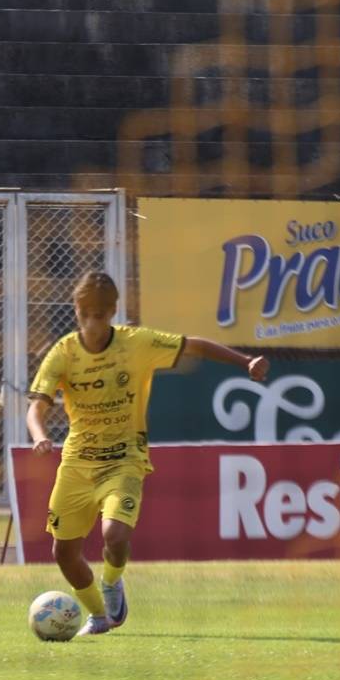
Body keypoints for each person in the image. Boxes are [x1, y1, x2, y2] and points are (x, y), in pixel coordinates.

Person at [25, 271, 268, 637]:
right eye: (87, 312)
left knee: (115, 535)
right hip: (76, 463)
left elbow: (195, 345)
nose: (93, 320)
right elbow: (36, 408)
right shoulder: (63, 353)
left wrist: (244, 361)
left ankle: (111, 582)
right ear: (76, 310)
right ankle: (99, 616)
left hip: (124, 458)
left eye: (101, 313)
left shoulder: (136, 343)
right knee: (63, 552)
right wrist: (40, 436)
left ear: (112, 311)